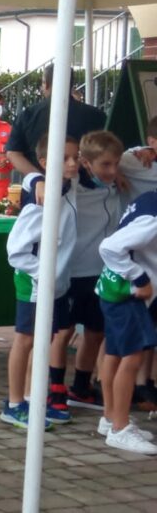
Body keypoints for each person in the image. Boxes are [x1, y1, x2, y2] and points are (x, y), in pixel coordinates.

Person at [3, 135, 79, 429]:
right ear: (46, 163)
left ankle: (33, 398)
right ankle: (14, 404)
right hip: (35, 283)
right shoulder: (40, 201)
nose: (72, 163)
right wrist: (43, 273)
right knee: (26, 340)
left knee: (43, 340)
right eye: (65, 158)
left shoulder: (68, 188)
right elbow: (16, 251)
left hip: (55, 282)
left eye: (76, 157)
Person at [57, 131, 125, 411]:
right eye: (105, 165)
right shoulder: (71, 184)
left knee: (95, 332)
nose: (112, 171)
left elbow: (138, 153)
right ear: (86, 163)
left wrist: (144, 151)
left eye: (116, 164)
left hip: (102, 272)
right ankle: (54, 390)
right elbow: (36, 175)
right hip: (73, 271)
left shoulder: (114, 183)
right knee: (63, 332)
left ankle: (80, 388)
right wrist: (37, 181)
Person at [96, 189, 157, 454]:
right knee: (131, 357)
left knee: (115, 353)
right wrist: (140, 278)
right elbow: (110, 247)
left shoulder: (148, 199)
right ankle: (119, 428)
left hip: (116, 291)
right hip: (129, 294)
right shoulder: (153, 216)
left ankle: (111, 418)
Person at [5, 65, 107, 175]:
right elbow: (108, 151)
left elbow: (13, 153)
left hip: (39, 182)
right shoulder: (96, 115)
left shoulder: (27, 115)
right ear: (71, 85)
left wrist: (39, 179)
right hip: (85, 182)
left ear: (46, 84)